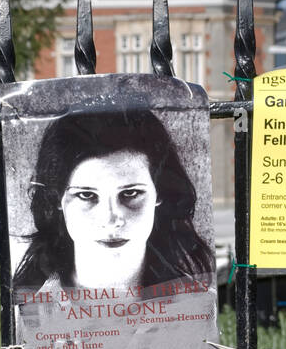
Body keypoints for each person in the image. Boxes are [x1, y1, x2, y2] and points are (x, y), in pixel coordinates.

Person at [12, 108, 214, 295]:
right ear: (57, 198)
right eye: (87, 195)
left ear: (159, 193)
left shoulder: (197, 305)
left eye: (131, 193)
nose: (110, 219)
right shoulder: (23, 311)